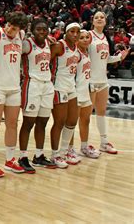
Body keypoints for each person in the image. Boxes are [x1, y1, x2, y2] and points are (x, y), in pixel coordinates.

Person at [0, 12, 28, 177]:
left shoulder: (21, 36)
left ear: (20, 29)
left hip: (14, 87)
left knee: (12, 124)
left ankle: (10, 160)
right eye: (9, 25)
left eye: (14, 28)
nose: (10, 29)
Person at [88, 11, 129, 154]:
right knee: (85, 115)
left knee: (101, 112)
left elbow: (106, 59)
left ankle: (104, 143)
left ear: (106, 21)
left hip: (103, 81)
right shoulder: (88, 35)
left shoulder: (106, 38)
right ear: (92, 21)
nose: (99, 19)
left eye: (102, 17)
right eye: (97, 17)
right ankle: (84, 145)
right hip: (89, 81)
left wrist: (119, 57)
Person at [19, 18, 57, 172]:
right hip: (32, 85)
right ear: (32, 31)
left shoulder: (50, 43)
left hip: (47, 85)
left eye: (44, 29)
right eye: (39, 29)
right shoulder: (27, 43)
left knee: (42, 122)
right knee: (28, 122)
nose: (42, 32)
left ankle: (39, 155)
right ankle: (22, 157)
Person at [50, 23, 81, 167]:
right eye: (72, 31)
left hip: (71, 87)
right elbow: (44, 60)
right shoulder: (59, 46)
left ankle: (64, 151)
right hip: (58, 87)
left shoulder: (77, 49)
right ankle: (55, 155)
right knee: (59, 122)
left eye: (77, 32)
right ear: (66, 33)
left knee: (72, 121)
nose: (75, 34)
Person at [72, 30, 100, 159]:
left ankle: (84, 146)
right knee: (71, 123)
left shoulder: (87, 53)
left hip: (86, 91)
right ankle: (69, 149)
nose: (84, 39)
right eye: (81, 37)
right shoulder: (75, 54)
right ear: (76, 39)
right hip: (76, 91)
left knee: (86, 120)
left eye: (87, 37)